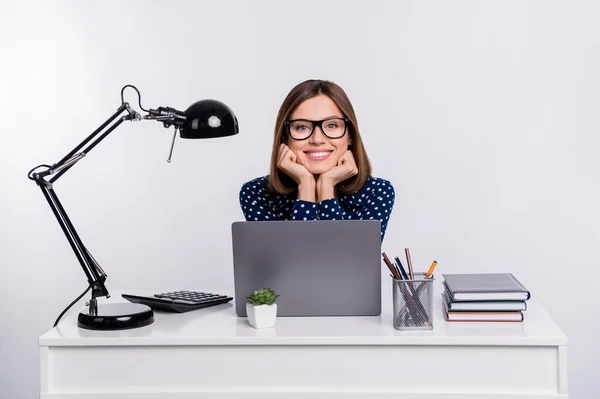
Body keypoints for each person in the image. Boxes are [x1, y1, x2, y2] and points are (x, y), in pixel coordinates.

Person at [239, 79, 395, 241]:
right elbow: (290, 264)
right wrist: (306, 186)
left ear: (350, 136)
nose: (317, 139)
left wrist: (326, 187)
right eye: (302, 127)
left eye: (332, 125)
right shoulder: (257, 193)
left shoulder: (377, 192)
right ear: (285, 136)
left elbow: (346, 262)